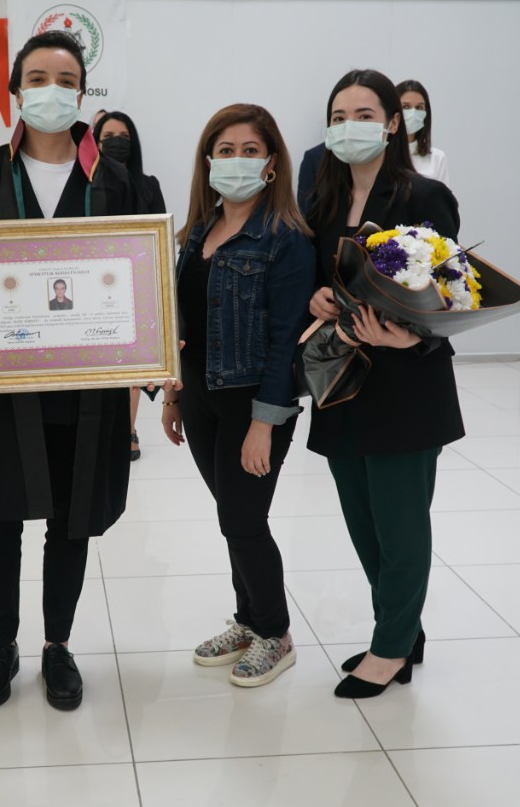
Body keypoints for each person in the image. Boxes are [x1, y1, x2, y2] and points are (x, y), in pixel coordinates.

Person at [0, 31, 143, 712]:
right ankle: (3, 643)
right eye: (37, 78)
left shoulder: (116, 182)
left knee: (71, 520)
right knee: (1, 518)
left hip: (86, 390)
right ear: (14, 91)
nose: (52, 90)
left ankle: (57, 644)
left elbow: (140, 281)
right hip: (3, 386)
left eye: (66, 79)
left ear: (82, 93)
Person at [306, 69, 464, 700]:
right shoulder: (322, 199)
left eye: (364, 115)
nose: (350, 127)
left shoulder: (425, 195)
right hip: (343, 382)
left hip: (407, 385)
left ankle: (391, 647)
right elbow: (315, 279)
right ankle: (402, 629)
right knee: (362, 521)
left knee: (400, 526)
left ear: (393, 123)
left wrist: (411, 338)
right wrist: (316, 299)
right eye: (339, 116)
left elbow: (455, 289)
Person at [161, 104, 314, 688]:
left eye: (250, 150)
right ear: (208, 161)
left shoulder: (287, 240)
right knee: (232, 518)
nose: (237, 161)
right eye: (225, 150)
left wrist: (264, 425)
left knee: (245, 520)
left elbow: (285, 342)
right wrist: (172, 397)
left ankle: (275, 632)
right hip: (200, 397)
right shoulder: (197, 232)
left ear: (271, 163)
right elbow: (182, 322)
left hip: (253, 404)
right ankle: (249, 619)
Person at [93, 110, 168, 460]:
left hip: (135, 285)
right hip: (93, 284)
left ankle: (128, 430)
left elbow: (160, 237)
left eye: (123, 137)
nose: (116, 142)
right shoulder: (85, 184)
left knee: (130, 364)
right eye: (108, 136)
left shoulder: (148, 184)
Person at [396, 79, 449, 185]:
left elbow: (442, 195)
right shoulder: (380, 155)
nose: (413, 112)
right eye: (405, 107)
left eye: (419, 107)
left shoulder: (437, 157)